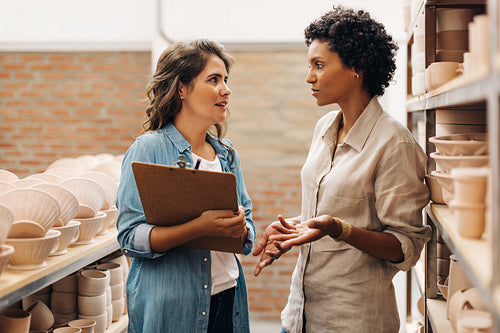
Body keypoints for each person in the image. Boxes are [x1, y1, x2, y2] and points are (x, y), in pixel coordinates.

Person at [253, 6, 431, 333]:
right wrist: (294, 226)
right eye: (309, 66)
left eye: (319, 65)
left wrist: (339, 229)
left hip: (352, 320)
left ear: (357, 67)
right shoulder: (324, 128)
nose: (309, 77)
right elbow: (332, 210)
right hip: (299, 316)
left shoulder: (394, 143)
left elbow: (406, 247)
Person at [116, 39, 255, 333]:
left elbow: (248, 231)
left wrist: (241, 228)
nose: (226, 90)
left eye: (225, 80)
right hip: (173, 311)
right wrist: (199, 228)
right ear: (182, 88)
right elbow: (130, 236)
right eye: (214, 80)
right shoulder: (148, 149)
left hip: (228, 300)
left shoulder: (227, 154)